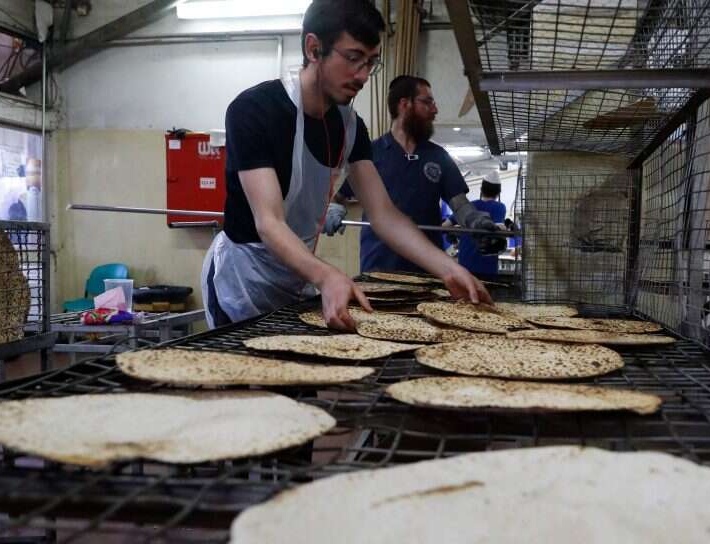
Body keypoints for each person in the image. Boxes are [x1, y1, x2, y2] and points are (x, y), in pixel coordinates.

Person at [200, 0, 489, 331]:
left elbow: (384, 215)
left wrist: (448, 267)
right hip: (241, 279)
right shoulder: (254, 111)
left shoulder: (350, 127)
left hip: (296, 275)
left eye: (371, 63)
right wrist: (326, 275)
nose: (363, 75)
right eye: (353, 58)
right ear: (314, 49)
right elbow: (269, 223)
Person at [329, 75, 501, 273]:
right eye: (427, 102)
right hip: (378, 268)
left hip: (428, 269)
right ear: (405, 105)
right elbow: (340, 196)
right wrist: (333, 209)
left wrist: (477, 221)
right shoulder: (370, 153)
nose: (435, 110)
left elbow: (460, 205)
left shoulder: (438, 156)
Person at [455, 171, 509, 277]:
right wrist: (508, 228)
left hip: (465, 261)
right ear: (498, 192)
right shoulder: (499, 207)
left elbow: (445, 225)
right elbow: (500, 228)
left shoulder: (469, 206)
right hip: (485, 264)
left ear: (481, 189)